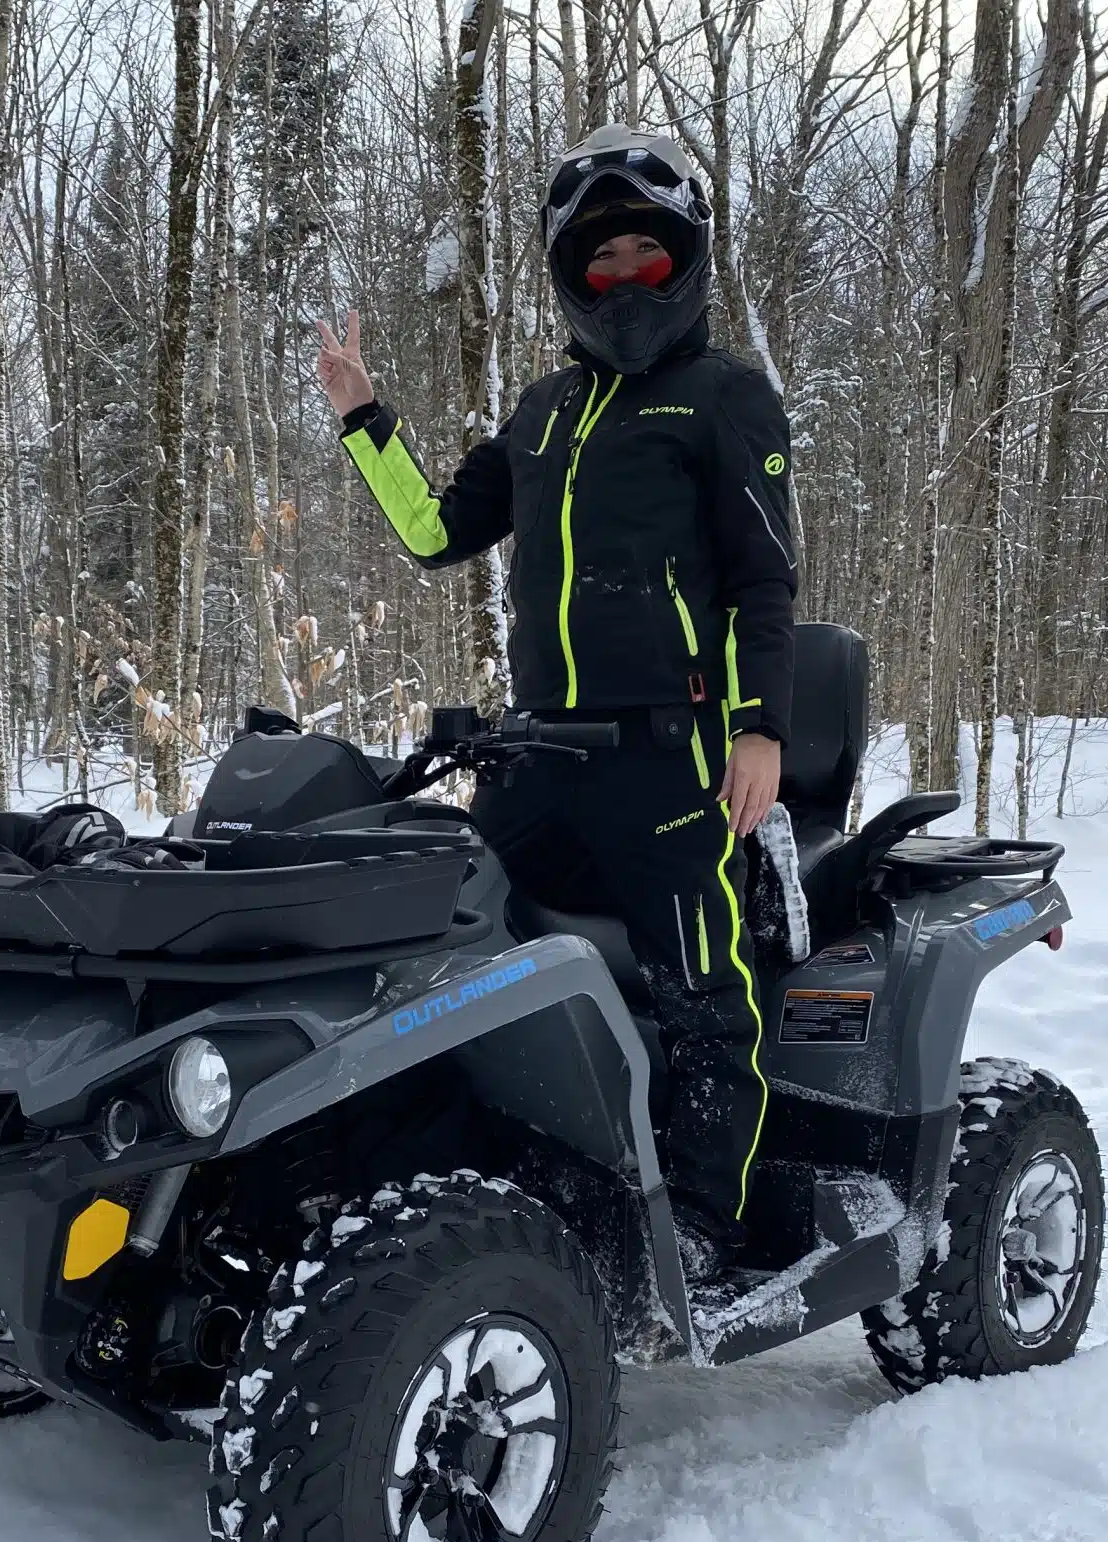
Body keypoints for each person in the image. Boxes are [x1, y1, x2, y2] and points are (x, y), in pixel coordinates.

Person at [314, 125, 798, 1284]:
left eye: (644, 253)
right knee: (438, 951)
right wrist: (362, 418)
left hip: (668, 754)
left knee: (705, 998)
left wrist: (758, 729)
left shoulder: (722, 399)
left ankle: (701, 1223)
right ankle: (452, 1169)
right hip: (537, 755)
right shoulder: (541, 412)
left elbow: (762, 579)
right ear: (569, 276)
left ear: (683, 261)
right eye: (600, 259)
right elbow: (436, 533)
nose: (622, 277)